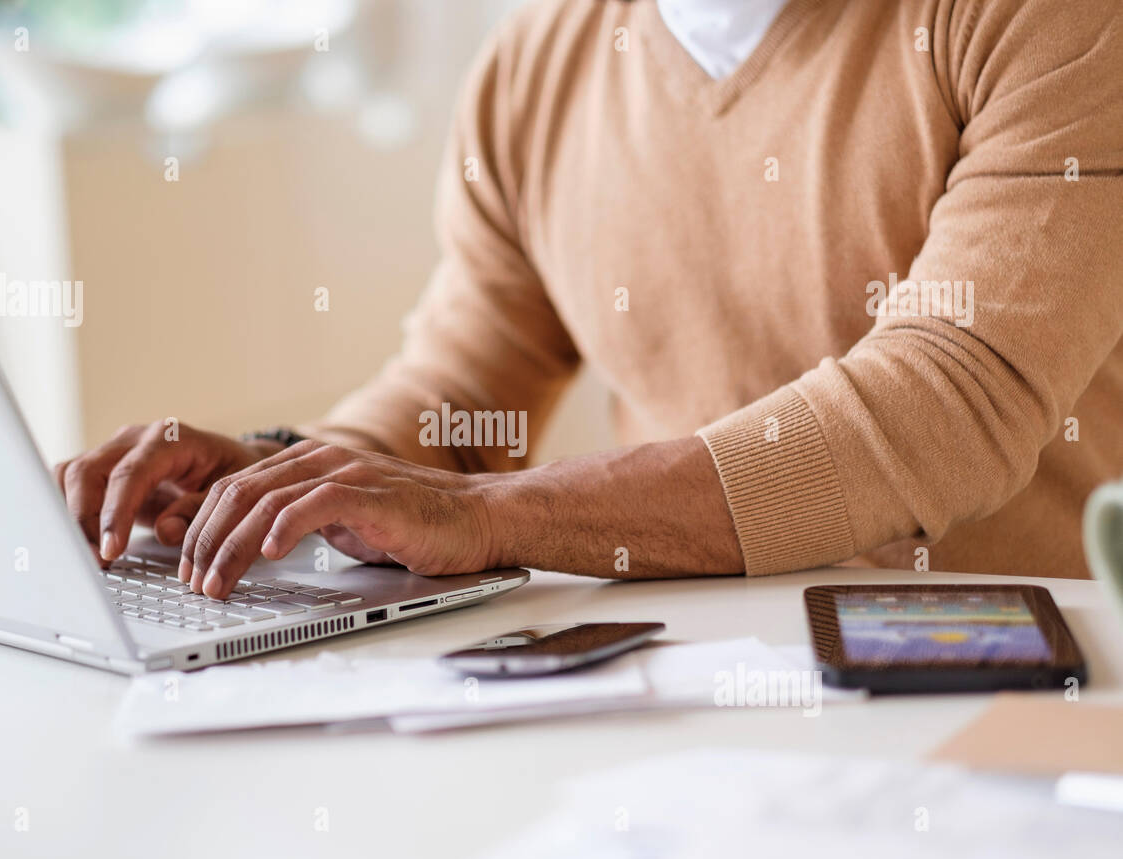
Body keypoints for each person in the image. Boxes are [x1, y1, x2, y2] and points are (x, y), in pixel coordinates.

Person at [54, 0, 1123, 601]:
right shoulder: (541, 60)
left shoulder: (1054, 20)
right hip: (681, 686)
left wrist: (489, 518)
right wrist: (289, 480)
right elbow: (463, 390)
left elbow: (946, 406)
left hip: (1028, 676)